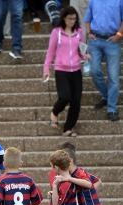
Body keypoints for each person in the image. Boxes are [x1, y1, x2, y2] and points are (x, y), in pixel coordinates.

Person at [43, 6, 87, 137]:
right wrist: (46, 68)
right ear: (64, 18)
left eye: (74, 18)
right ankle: (54, 113)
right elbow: (50, 52)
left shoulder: (79, 32)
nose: (72, 21)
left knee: (76, 101)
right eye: (69, 18)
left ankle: (68, 128)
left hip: (76, 70)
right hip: (61, 70)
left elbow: (81, 50)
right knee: (65, 96)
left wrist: (85, 56)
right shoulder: (56, 32)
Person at [84, 0, 123, 122]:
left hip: (113, 41)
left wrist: (119, 35)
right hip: (95, 41)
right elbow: (87, 19)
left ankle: (111, 109)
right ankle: (107, 96)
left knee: (113, 76)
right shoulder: (93, 1)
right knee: (94, 71)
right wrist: (89, 32)